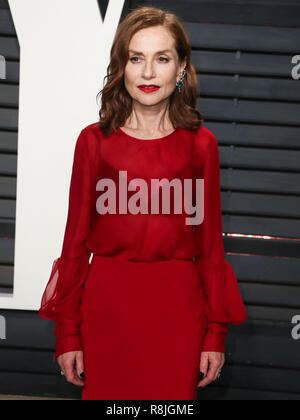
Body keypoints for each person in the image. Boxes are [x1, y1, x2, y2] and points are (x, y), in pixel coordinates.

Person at [39, 6, 248, 400]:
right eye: (136, 58)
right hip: (106, 310)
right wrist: (68, 332)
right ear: (122, 67)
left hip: (178, 314)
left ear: (181, 68)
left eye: (162, 59)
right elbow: (75, 242)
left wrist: (215, 333)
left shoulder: (202, 146)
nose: (148, 73)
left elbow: (209, 246)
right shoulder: (93, 142)